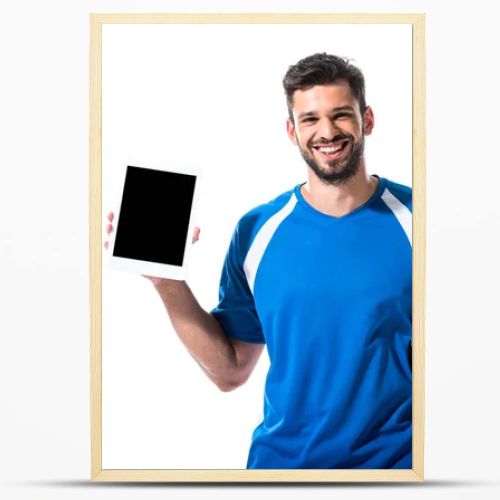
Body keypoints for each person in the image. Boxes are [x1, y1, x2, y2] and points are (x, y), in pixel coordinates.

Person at [105, 53, 412, 469]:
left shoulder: (420, 221)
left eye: (341, 115)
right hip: (278, 471)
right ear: (292, 130)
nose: (327, 132)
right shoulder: (257, 230)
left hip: (394, 470)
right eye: (310, 119)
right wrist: (167, 283)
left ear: (367, 120)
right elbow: (230, 371)